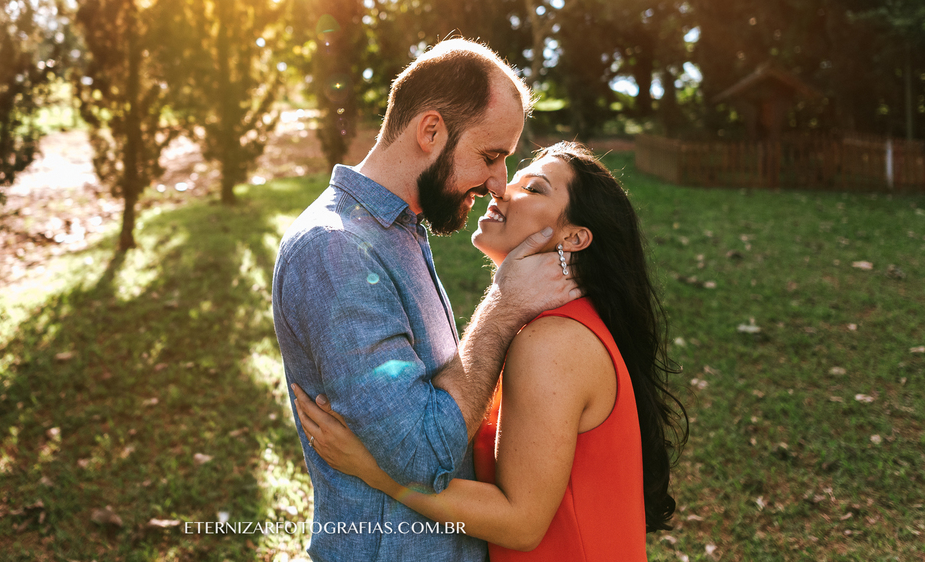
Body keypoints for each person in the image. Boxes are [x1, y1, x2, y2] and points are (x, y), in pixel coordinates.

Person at [294, 142, 688, 561]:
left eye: (533, 188)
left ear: (574, 237)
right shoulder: (549, 324)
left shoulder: (554, 341)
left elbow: (521, 523)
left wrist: (376, 471)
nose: (500, 189)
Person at [272, 39, 581, 562]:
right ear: (431, 131)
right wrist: (502, 307)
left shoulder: (399, 229)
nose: (498, 184)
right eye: (490, 156)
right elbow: (422, 455)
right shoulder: (335, 249)